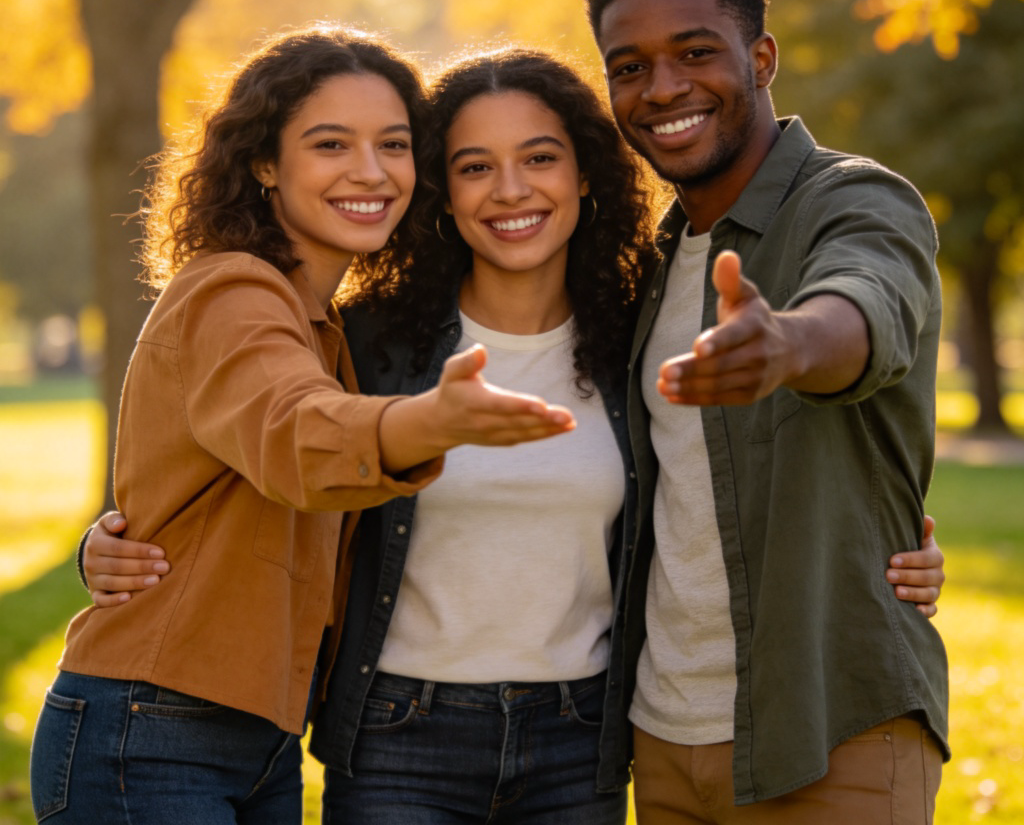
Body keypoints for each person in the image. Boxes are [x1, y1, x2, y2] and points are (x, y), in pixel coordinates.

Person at [79, 45, 945, 823]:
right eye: (473, 166)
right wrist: (115, 541)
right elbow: (287, 435)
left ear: (586, 176)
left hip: (579, 739)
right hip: (395, 736)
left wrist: (878, 550)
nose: (512, 190)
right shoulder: (367, 338)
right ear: (443, 191)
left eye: (540, 158)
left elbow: (703, 490)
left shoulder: (634, 335)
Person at [29, 27, 575, 825]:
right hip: (151, 731)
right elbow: (294, 433)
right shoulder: (234, 294)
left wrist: (99, 540)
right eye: (330, 144)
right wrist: (431, 419)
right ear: (263, 164)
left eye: (393, 144)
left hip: (256, 740)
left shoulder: (321, 325)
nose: (370, 171)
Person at [585, 0, 949, 823]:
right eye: (628, 67)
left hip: (832, 730)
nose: (662, 87)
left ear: (762, 57)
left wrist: (784, 346)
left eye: (695, 53)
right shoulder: (653, 259)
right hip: (664, 739)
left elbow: (868, 301)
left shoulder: (856, 198)